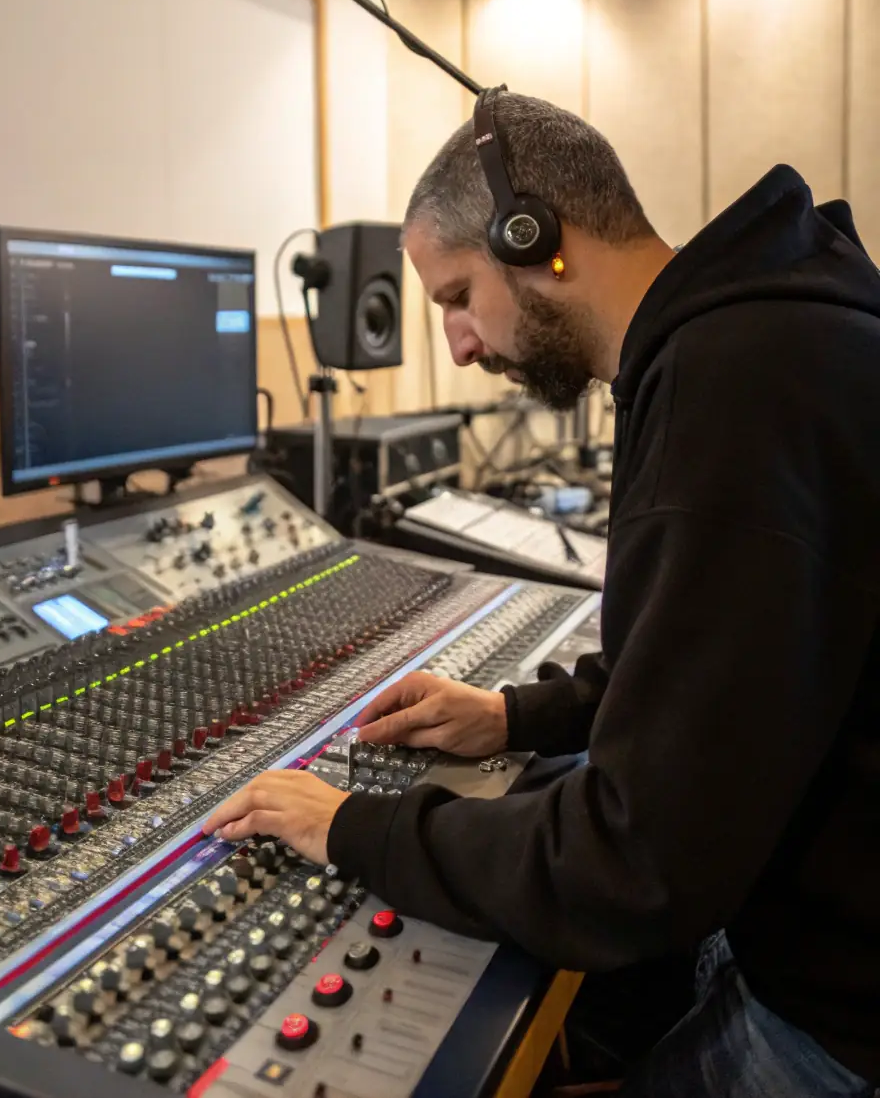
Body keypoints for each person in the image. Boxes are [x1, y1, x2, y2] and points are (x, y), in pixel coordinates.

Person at [205, 92, 880, 1097]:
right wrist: (513, 715)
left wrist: (354, 827)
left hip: (840, 1014)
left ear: (535, 241)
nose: (458, 345)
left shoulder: (733, 389)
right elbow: (723, 668)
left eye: (457, 295)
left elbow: (634, 863)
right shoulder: (755, 337)